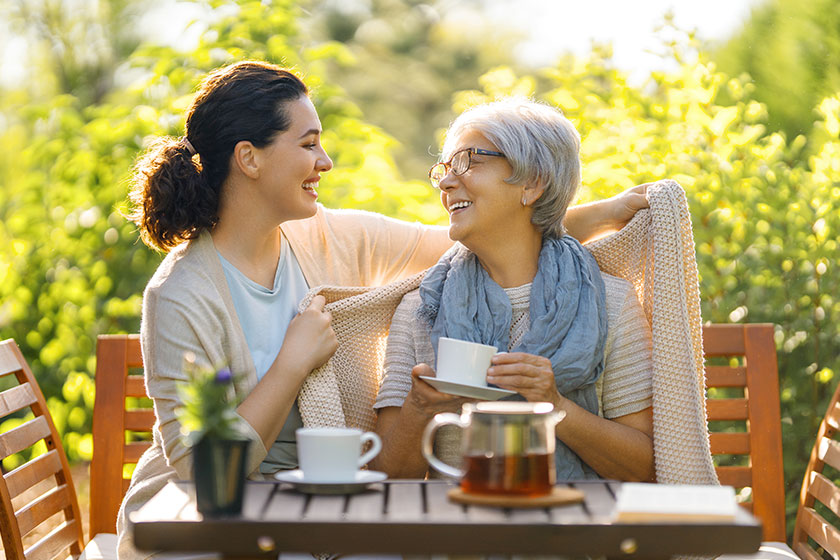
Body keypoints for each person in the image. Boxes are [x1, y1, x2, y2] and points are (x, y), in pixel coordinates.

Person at [117, 60, 648, 559]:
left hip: (319, 504)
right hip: (205, 520)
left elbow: (474, 238)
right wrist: (291, 364)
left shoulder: (327, 236)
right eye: (308, 144)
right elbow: (202, 473)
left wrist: (596, 212)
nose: (325, 161)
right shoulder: (182, 296)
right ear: (249, 158)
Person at [373, 98, 655, 482]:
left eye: (470, 160)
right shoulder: (421, 307)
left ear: (533, 183)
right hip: (457, 531)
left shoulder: (611, 302)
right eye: (445, 168)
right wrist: (419, 409)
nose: (446, 181)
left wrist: (554, 406)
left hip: (574, 531)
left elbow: (645, 468)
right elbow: (388, 478)